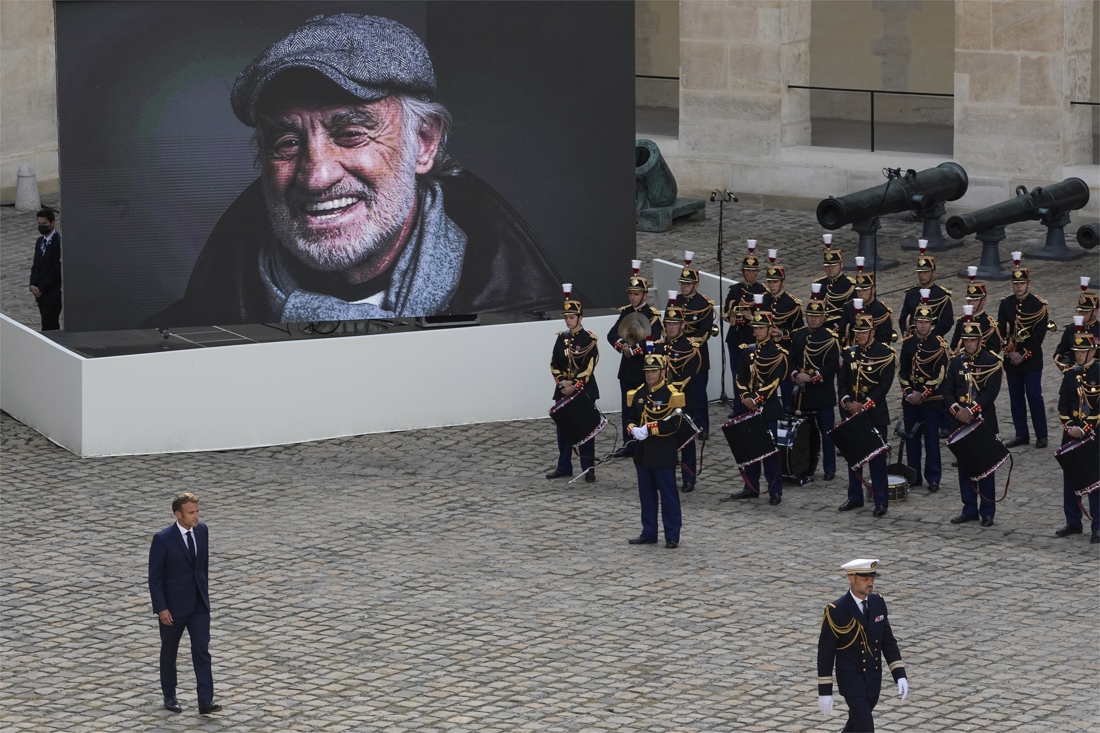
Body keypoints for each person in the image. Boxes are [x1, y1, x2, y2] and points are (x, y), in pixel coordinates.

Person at [147, 14, 562, 327]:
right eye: (287, 143)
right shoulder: (178, 336)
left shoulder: (546, 327)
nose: (316, 177)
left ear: (424, 143)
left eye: (350, 133)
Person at [148, 493, 222, 715]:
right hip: (173, 607)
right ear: (178, 514)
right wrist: (161, 608)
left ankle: (205, 700)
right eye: (191, 512)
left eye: (197, 511)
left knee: (202, 650)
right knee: (169, 652)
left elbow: (202, 567)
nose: (196, 516)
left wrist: (204, 596)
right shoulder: (163, 539)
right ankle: (170, 695)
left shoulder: (203, 531)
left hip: (199, 605)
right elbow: (155, 577)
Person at [817, 558, 908, 733]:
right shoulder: (837, 610)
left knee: (854, 727)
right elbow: (825, 654)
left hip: (873, 680)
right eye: (865, 579)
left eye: (872, 579)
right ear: (852, 578)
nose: (870, 583)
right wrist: (825, 691)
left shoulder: (878, 603)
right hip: (851, 681)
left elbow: (887, 641)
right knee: (866, 728)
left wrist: (899, 674)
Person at [943, 322, 1003, 527]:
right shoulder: (956, 362)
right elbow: (948, 390)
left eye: (972, 340)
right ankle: (969, 508)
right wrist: (957, 410)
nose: (969, 344)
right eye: (966, 340)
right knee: (964, 467)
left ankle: (987, 510)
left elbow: (991, 392)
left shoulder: (991, 361)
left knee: (985, 468)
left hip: (982, 421)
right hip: (959, 421)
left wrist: (970, 411)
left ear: (980, 341)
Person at [727, 311, 789, 505]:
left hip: (769, 409)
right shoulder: (748, 351)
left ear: (770, 330)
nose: (758, 331)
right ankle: (751, 486)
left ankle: (774, 489)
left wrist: (757, 399)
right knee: (750, 450)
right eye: (755, 328)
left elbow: (774, 380)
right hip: (749, 409)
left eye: (761, 328)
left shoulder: (778, 353)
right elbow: (741, 376)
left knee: (771, 452)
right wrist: (745, 397)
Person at [626, 352, 685, 549]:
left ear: (662, 372)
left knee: (668, 496)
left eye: (653, 371)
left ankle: (672, 534)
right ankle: (648, 531)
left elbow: (675, 423)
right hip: (643, 454)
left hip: (662, 452)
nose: (649, 375)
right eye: (647, 371)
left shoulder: (670, 394)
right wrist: (633, 429)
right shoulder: (640, 392)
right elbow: (630, 417)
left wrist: (649, 429)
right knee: (646, 495)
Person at [839, 314, 896, 517]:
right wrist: (847, 402)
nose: (860, 335)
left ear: (872, 332)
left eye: (864, 332)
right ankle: (855, 496)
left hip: (874, 414)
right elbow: (843, 382)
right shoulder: (849, 354)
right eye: (857, 332)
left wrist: (863, 405)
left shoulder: (885, 354)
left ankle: (880, 500)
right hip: (851, 413)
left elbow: (883, 386)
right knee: (854, 457)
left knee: (877, 460)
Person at [608, 263, 663, 458]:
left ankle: (645, 441)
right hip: (627, 369)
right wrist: (622, 346)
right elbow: (612, 334)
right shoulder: (625, 312)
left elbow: (654, 339)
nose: (633, 297)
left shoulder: (653, 315)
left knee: (644, 406)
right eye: (631, 293)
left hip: (644, 369)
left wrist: (634, 350)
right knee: (627, 408)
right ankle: (628, 443)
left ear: (645, 295)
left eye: (637, 294)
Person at [997, 258, 1051, 449]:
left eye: (1021, 283)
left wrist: (1023, 354)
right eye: (1016, 284)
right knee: (1016, 398)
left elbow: (1038, 336)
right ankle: (1021, 433)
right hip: (1012, 360)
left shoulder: (1038, 306)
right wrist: (1010, 353)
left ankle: (1041, 434)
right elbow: (1001, 332)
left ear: (1028, 284)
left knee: (1034, 396)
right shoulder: (1006, 304)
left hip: (1031, 361)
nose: (1018, 287)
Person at [547, 287, 599, 482]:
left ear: (580, 317)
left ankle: (588, 467)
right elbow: (554, 363)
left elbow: (588, 368)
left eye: (572, 316)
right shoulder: (561, 338)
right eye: (566, 317)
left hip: (582, 391)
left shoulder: (589, 340)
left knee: (586, 430)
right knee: (563, 431)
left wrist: (574, 386)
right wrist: (562, 383)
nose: (568, 320)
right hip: (563, 390)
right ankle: (564, 466)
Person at [1054, 331, 1099, 543]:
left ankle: (1098, 525)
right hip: (1071, 435)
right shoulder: (1070, 374)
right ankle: (1073, 521)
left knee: (1094, 481)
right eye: (1077, 352)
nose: (1079, 355)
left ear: (1092, 351)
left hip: (1093, 435)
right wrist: (1070, 426)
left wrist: (1085, 428)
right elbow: (1063, 405)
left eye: (1083, 352)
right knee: (1070, 479)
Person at [898, 305, 949, 493]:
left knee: (931, 440)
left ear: (931, 324)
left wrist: (922, 393)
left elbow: (940, 374)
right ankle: (914, 475)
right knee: (911, 439)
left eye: (926, 322)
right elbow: (902, 371)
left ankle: (933, 477)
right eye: (920, 322)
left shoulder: (939, 345)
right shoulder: (908, 344)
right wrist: (910, 393)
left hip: (931, 400)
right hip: (910, 399)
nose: (923, 326)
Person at [789, 297, 840, 482]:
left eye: (817, 316)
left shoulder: (829, 339)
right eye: (810, 315)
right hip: (804, 395)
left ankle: (829, 468)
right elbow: (791, 360)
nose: (813, 319)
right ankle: (805, 466)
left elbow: (833, 365)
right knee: (805, 434)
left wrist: (813, 377)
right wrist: (796, 375)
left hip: (822, 393)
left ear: (823, 317)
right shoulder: (798, 336)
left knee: (827, 433)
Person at [674, 253, 716, 439]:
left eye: (688, 284)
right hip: (678, 355)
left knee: (698, 393)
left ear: (696, 285)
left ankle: (702, 426)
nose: (684, 287)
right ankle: (681, 424)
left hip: (697, 355)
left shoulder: (704, 304)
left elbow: (705, 331)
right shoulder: (675, 302)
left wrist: (689, 343)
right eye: (682, 284)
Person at [662, 305, 703, 492]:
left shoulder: (689, 347)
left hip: (683, 399)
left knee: (686, 440)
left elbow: (688, 375)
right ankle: (666, 475)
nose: (671, 327)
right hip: (662, 402)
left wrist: (668, 389)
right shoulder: (659, 345)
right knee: (664, 440)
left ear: (682, 325)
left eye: (674, 324)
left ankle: (689, 477)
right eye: (668, 324)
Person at [722, 245, 766, 409]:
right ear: (743, 271)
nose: (750, 273)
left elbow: (766, 316)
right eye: (747, 270)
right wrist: (733, 312)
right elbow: (726, 312)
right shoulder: (735, 289)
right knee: (736, 373)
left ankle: (754, 403)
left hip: (752, 338)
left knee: (753, 373)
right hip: (735, 338)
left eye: (753, 271)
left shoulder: (762, 291)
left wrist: (752, 317)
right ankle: (739, 406)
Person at [762, 257, 803, 411]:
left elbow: (799, 331)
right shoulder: (762, 301)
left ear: (783, 282)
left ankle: (788, 415)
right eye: (770, 282)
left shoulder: (792, 303)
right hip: (766, 353)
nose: (772, 285)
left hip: (784, 352)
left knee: (786, 388)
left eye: (775, 282)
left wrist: (782, 333)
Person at [898, 254, 953, 338]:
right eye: (919, 272)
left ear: (933, 272)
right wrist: (908, 336)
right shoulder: (911, 294)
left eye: (925, 272)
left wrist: (929, 337)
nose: (921, 275)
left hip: (934, 341)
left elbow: (946, 322)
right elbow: (903, 319)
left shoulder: (942, 295)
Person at [838, 269, 894, 347]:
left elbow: (884, 341)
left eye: (864, 290)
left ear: (873, 290)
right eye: (858, 290)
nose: (860, 293)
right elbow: (842, 334)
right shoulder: (849, 307)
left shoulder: (880, 311)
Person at [949, 274, 1002, 355]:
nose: (972, 303)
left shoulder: (989, 323)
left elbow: (994, 350)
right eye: (969, 300)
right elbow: (954, 346)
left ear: (984, 300)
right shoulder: (961, 321)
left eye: (976, 300)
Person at [28, 208, 62, 331]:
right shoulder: (39, 242)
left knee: (49, 327)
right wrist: (32, 285)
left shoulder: (58, 243)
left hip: (52, 294)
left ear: (52, 223)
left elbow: (56, 270)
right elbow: (35, 266)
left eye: (44, 224)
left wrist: (41, 288)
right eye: (39, 224)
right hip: (41, 295)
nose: (41, 226)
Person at [1053, 284, 1098, 372]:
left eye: (1085, 312)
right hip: (1074, 374)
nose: (1082, 314)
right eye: (1080, 311)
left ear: (1095, 312)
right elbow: (1059, 353)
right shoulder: (1070, 329)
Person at [811, 244, 855, 332]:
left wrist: (836, 328)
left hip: (838, 328)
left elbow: (849, 314)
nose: (830, 268)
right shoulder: (819, 284)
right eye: (827, 265)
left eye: (834, 265)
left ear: (841, 265)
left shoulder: (849, 285)